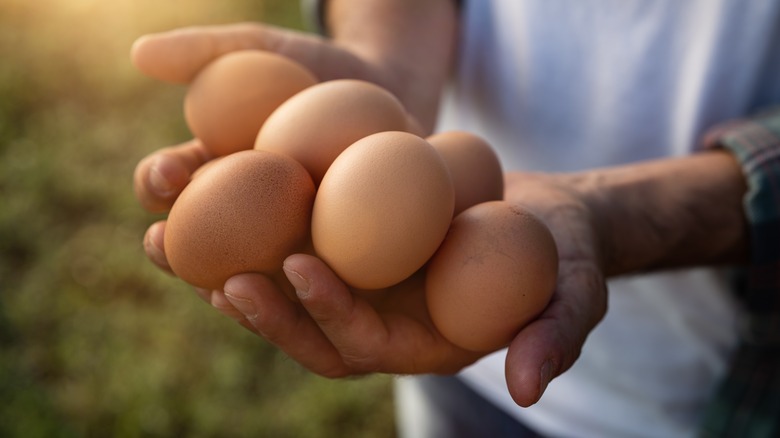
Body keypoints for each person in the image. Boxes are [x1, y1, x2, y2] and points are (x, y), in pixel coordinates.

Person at [132, 1, 780, 436]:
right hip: (458, 354)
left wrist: (626, 216)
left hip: (702, 391)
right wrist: (389, 61)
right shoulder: (409, 176)